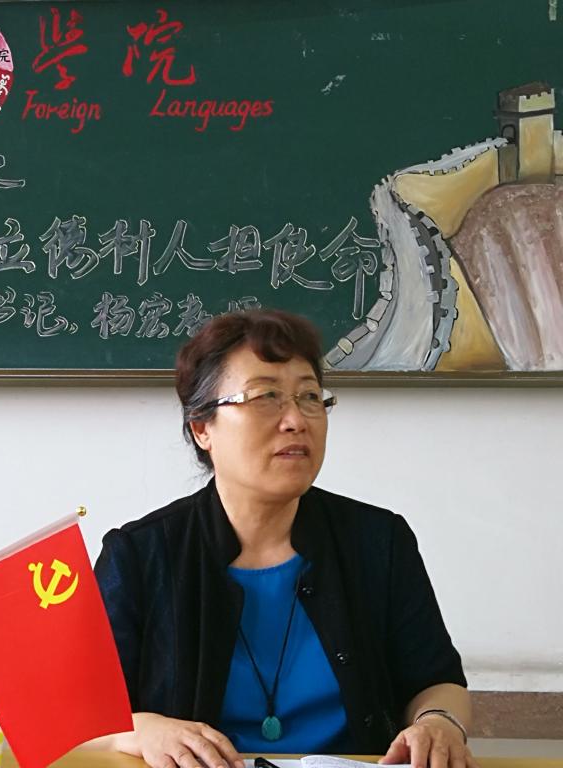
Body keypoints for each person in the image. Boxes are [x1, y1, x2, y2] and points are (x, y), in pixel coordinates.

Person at [93, 309, 476, 768]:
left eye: (310, 396)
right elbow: (83, 714)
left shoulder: (378, 541)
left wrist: (438, 722)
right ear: (202, 428)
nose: (295, 419)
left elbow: (438, 681)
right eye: (266, 396)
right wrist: (142, 728)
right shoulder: (140, 555)